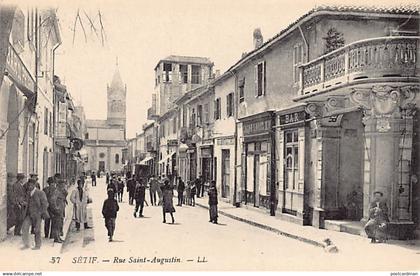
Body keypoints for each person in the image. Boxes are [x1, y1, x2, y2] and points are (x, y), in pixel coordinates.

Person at [21, 179, 49, 250]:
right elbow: (26, 202)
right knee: (24, 227)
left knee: (37, 230)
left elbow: (45, 204)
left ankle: (38, 245)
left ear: (34, 185)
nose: (29, 187)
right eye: (28, 185)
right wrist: (24, 203)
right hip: (29, 214)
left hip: (37, 215)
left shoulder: (40, 193)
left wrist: (41, 213)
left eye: (31, 185)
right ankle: (26, 244)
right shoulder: (27, 193)